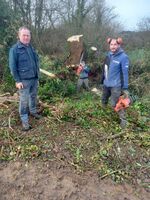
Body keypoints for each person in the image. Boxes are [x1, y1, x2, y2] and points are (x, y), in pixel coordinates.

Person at [9, 26, 41, 131]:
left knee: (33, 97)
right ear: (19, 36)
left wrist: (37, 76)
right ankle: (24, 120)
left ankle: (33, 111)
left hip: (34, 79)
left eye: (28, 35)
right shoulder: (15, 49)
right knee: (24, 101)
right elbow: (13, 67)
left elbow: (35, 63)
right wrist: (17, 80)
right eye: (24, 35)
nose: (26, 37)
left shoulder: (30, 48)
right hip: (24, 81)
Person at [100, 37, 129, 128]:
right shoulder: (108, 55)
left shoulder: (123, 57)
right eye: (111, 44)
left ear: (119, 45)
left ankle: (123, 122)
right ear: (109, 45)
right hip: (106, 84)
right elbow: (105, 69)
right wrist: (103, 80)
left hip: (116, 85)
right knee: (104, 100)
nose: (113, 46)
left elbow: (125, 73)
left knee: (115, 104)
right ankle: (103, 116)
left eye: (115, 44)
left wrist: (125, 87)